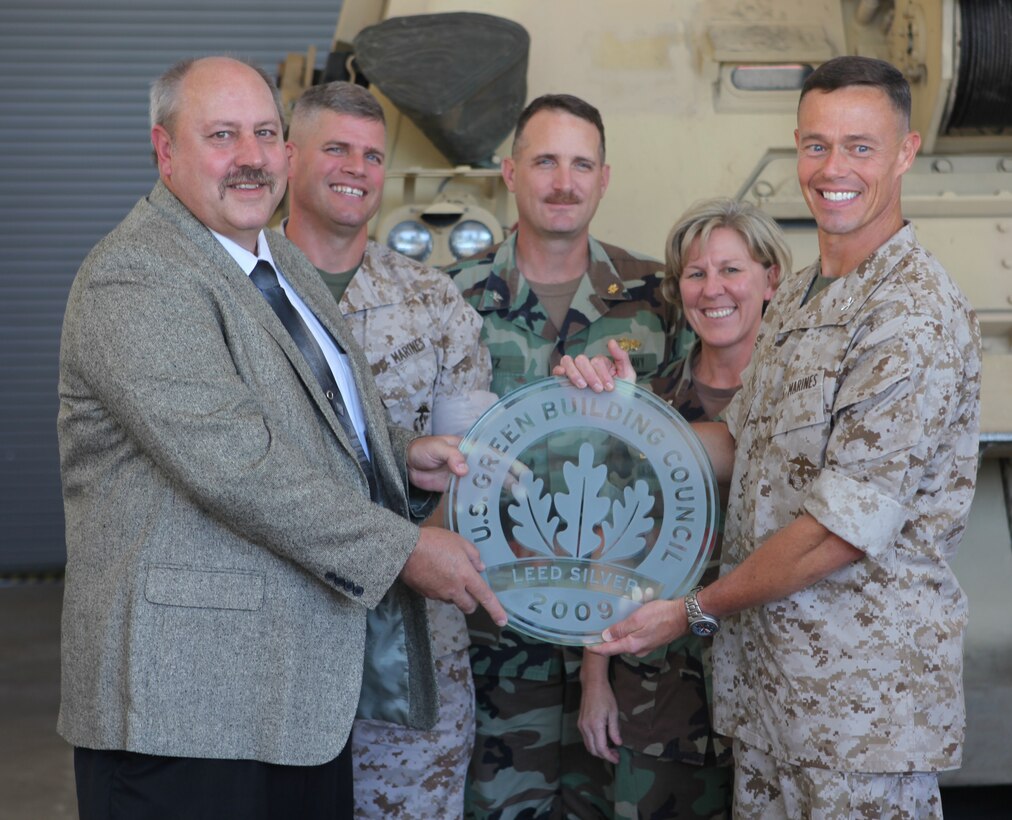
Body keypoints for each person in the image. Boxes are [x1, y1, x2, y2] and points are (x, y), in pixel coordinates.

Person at [57, 56, 506, 820]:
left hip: (291, 702)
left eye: (265, 133)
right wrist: (403, 549)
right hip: (187, 710)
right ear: (166, 151)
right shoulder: (137, 276)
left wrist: (398, 452)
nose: (252, 157)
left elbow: (306, 414)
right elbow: (237, 463)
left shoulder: (272, 258)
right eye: (223, 135)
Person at [576, 56, 982, 818]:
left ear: (905, 152)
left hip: (860, 721)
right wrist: (627, 418)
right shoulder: (797, 297)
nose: (835, 169)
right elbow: (742, 448)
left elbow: (838, 534)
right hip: (769, 709)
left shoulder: (910, 317)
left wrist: (694, 610)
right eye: (818, 145)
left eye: (861, 147)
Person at [446, 93, 692, 820]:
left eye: (581, 163)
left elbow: (687, 466)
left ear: (605, 178)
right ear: (508, 172)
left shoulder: (659, 298)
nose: (564, 180)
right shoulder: (451, 300)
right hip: (491, 637)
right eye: (545, 160)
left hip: (626, 641)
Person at [284, 80, 497, 819]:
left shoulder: (434, 302)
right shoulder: (243, 291)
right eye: (336, 148)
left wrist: (418, 550)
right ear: (288, 157)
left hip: (414, 654)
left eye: (372, 154)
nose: (357, 168)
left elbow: (470, 469)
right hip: (269, 642)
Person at [570, 198, 790, 819]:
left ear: (771, 279)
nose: (712, 289)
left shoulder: (801, 398)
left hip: (780, 693)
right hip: (659, 696)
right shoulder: (645, 398)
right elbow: (604, 541)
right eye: (696, 274)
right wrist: (595, 681)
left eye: (731, 271)